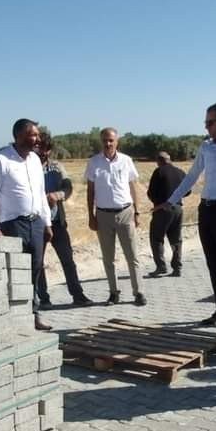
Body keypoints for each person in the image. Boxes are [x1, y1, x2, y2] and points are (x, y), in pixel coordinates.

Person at [159, 102, 216, 328]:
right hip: (207, 208)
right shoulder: (206, 147)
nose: (206, 127)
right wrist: (171, 200)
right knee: (213, 263)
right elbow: (192, 175)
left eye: (209, 123)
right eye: (205, 123)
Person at [0, 118, 54, 331]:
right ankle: (10, 316)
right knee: (14, 272)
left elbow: (40, 193)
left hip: (36, 223)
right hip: (12, 225)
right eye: (33, 135)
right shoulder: (1, 160)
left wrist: (47, 223)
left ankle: (32, 313)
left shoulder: (34, 159)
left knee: (35, 269)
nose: (37, 139)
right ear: (19, 136)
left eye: (37, 135)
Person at [85, 127, 146, 306]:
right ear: (101, 141)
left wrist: (137, 212)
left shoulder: (126, 161)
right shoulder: (94, 162)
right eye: (105, 140)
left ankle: (139, 292)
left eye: (111, 140)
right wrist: (91, 215)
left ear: (117, 141)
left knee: (132, 255)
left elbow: (133, 187)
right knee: (108, 258)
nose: (108, 143)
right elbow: (90, 191)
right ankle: (113, 293)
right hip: (103, 215)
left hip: (125, 212)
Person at [36, 131, 93, 308]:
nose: (43, 153)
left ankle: (78, 295)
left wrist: (58, 195)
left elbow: (68, 187)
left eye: (46, 149)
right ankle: (43, 299)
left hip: (57, 222)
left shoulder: (57, 167)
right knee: (38, 263)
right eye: (40, 149)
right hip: (37, 224)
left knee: (68, 260)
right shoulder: (26, 167)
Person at [146, 151, 187, 278]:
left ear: (159, 160)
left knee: (157, 238)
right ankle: (177, 267)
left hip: (162, 209)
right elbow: (188, 190)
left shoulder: (159, 172)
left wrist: (157, 202)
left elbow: (151, 192)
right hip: (178, 209)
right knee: (176, 239)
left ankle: (161, 266)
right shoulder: (180, 172)